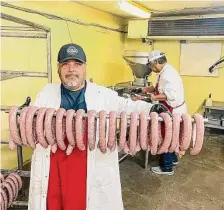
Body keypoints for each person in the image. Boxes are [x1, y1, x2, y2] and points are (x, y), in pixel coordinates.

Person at [28, 43, 168, 210]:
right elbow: (32, 120)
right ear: (58, 68)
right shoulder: (46, 93)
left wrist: (151, 108)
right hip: (53, 167)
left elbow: (125, 105)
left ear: (85, 67)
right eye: (66, 64)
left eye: (77, 64)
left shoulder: (102, 94)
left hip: (87, 167)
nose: (71, 69)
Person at [142, 50, 187, 176]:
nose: (151, 68)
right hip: (171, 108)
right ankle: (172, 159)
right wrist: (146, 89)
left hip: (172, 109)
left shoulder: (168, 74)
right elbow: (160, 87)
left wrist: (153, 98)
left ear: (156, 61)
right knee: (172, 135)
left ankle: (166, 168)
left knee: (166, 135)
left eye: (151, 65)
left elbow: (170, 95)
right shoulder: (164, 71)